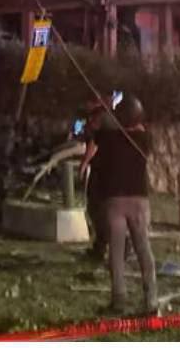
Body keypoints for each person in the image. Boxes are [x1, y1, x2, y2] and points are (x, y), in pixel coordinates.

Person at [93, 95, 156, 316]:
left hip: (115, 201)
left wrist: (107, 111)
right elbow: (136, 129)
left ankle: (118, 300)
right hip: (139, 200)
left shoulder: (109, 138)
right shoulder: (146, 140)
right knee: (143, 249)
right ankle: (151, 301)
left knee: (116, 254)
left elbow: (99, 130)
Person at [78, 104, 111, 262]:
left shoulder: (103, 133)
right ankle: (101, 245)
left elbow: (93, 146)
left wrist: (84, 164)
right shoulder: (110, 133)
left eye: (94, 118)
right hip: (104, 173)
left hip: (101, 174)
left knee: (97, 209)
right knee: (97, 209)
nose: (91, 121)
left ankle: (103, 245)